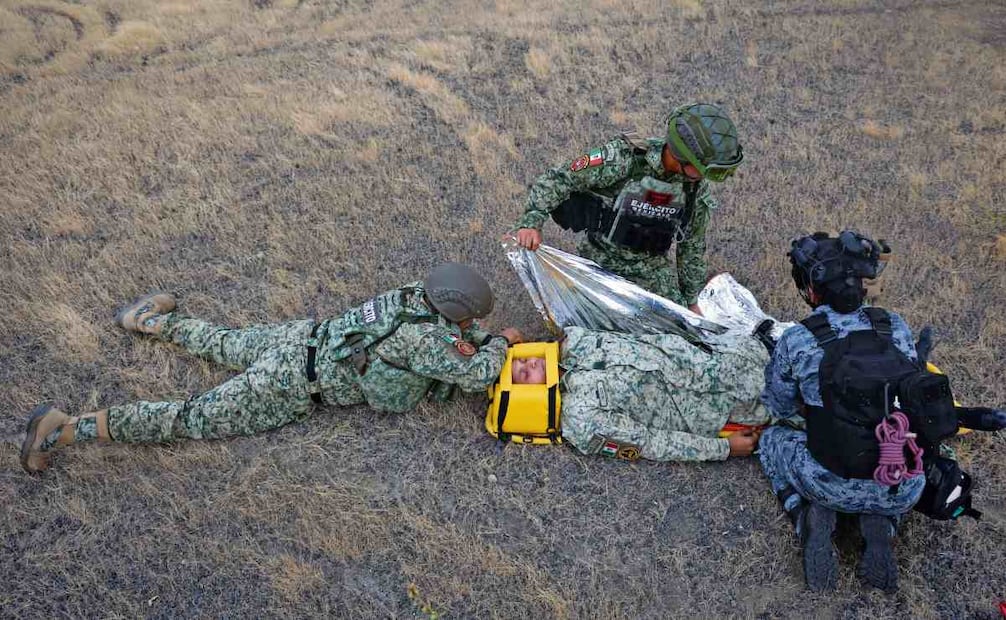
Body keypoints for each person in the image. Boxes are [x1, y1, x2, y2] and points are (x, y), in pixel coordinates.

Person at [21, 263, 523, 473]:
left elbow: (447, 339)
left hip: (296, 337)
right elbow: (478, 374)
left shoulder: (411, 296)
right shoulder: (423, 340)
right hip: (286, 385)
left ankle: (149, 320)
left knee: (221, 341)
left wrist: (478, 337)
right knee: (189, 418)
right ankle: (63, 431)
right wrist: (499, 343)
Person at [757, 231, 1006, 593]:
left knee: (771, 438)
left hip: (829, 482)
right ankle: (883, 525)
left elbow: (778, 405)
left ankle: (802, 514)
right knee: (908, 462)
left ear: (812, 291)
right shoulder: (893, 325)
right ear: (861, 283)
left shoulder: (799, 339)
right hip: (901, 484)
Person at [512, 103, 743, 313]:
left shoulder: (694, 188)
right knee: (579, 327)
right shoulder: (622, 159)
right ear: (681, 155)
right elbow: (561, 179)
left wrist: (691, 301)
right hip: (599, 263)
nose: (705, 177)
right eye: (703, 168)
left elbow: (692, 244)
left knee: (680, 332)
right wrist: (531, 222)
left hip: (652, 272)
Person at [500, 325, 771, 462]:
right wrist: (724, 448)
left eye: (521, 359)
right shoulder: (581, 419)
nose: (531, 363)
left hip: (720, 357)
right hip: (721, 406)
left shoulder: (571, 343)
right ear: (530, 398)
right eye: (524, 374)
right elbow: (650, 443)